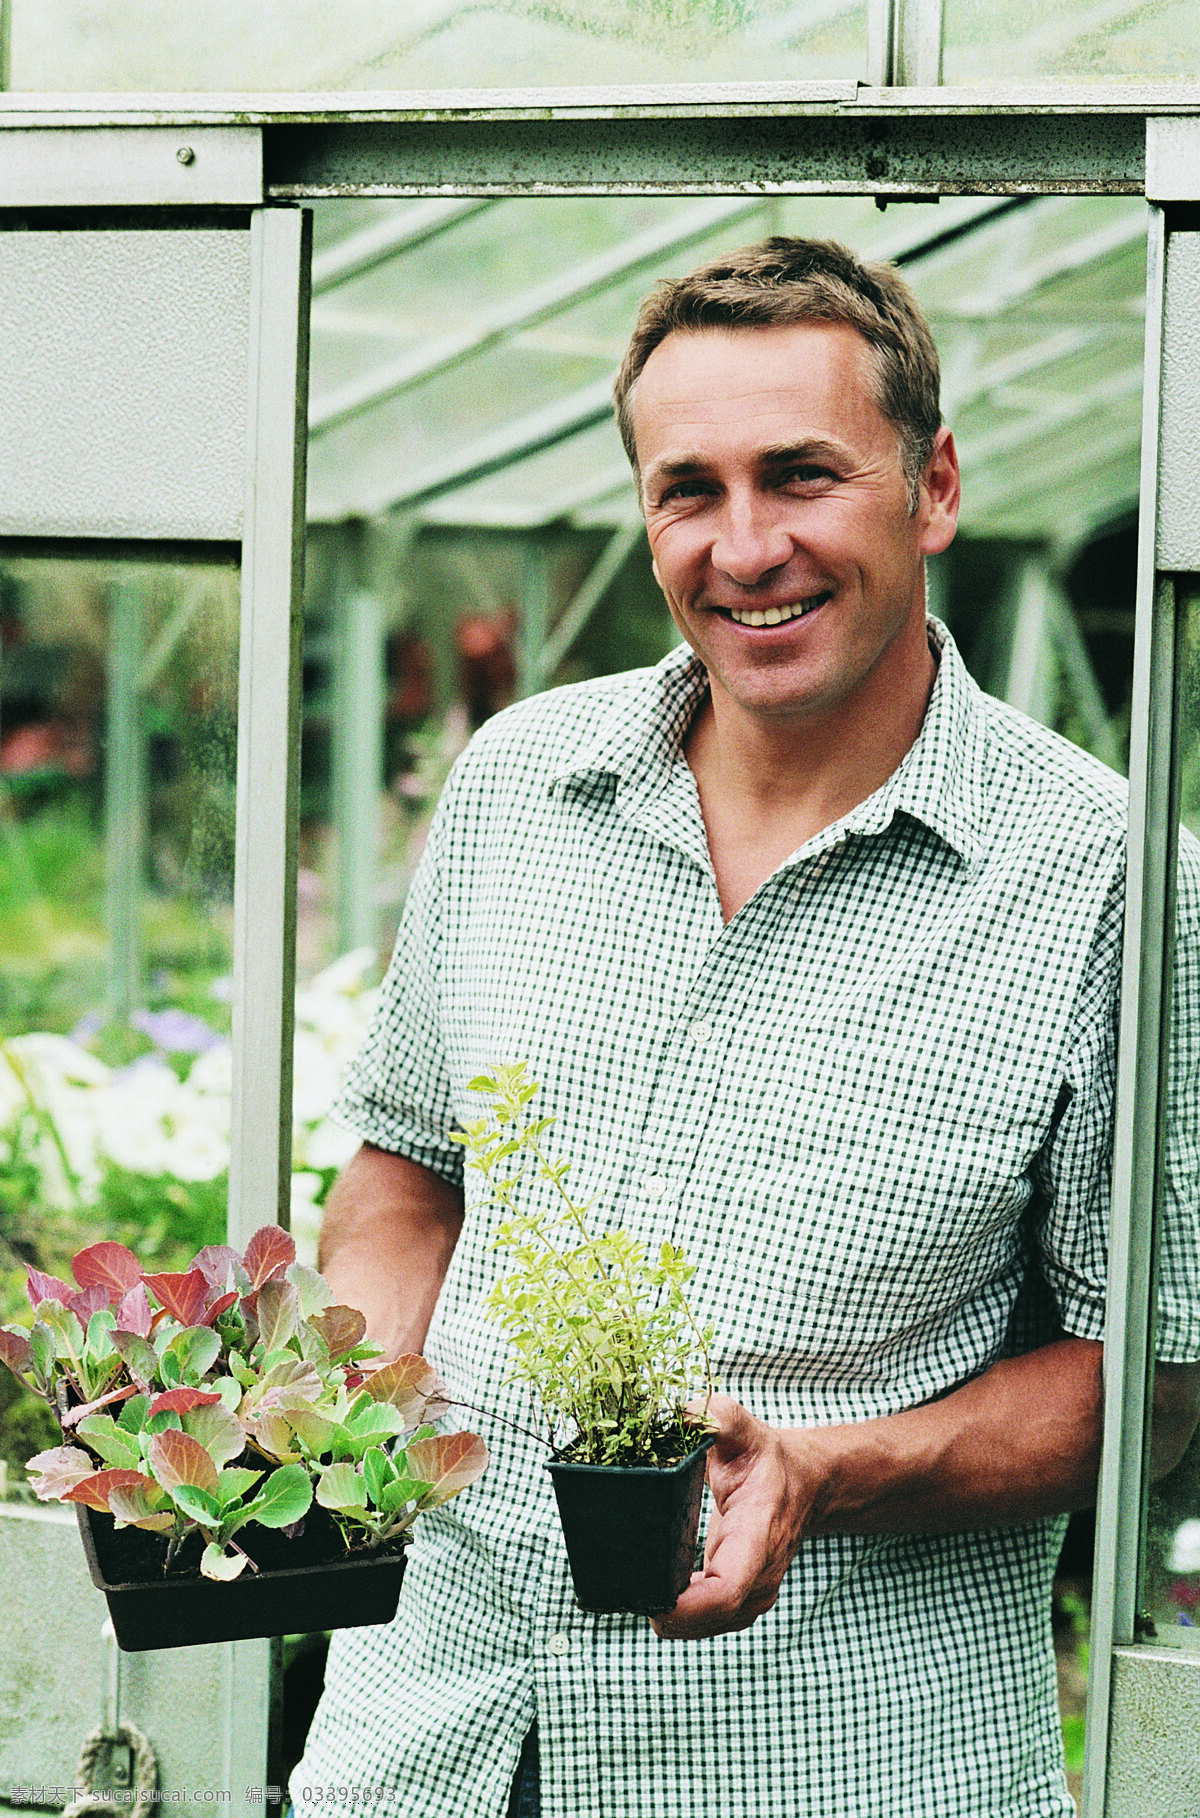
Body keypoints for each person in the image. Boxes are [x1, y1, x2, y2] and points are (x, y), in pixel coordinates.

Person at [291, 238, 1200, 1818]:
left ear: (932, 490)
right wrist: (364, 1402)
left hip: (827, 1763)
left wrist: (829, 1469)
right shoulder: (520, 785)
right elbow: (406, 1176)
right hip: (421, 1741)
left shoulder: (1105, 878)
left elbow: (1158, 1375)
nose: (745, 545)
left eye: (802, 475)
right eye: (687, 488)